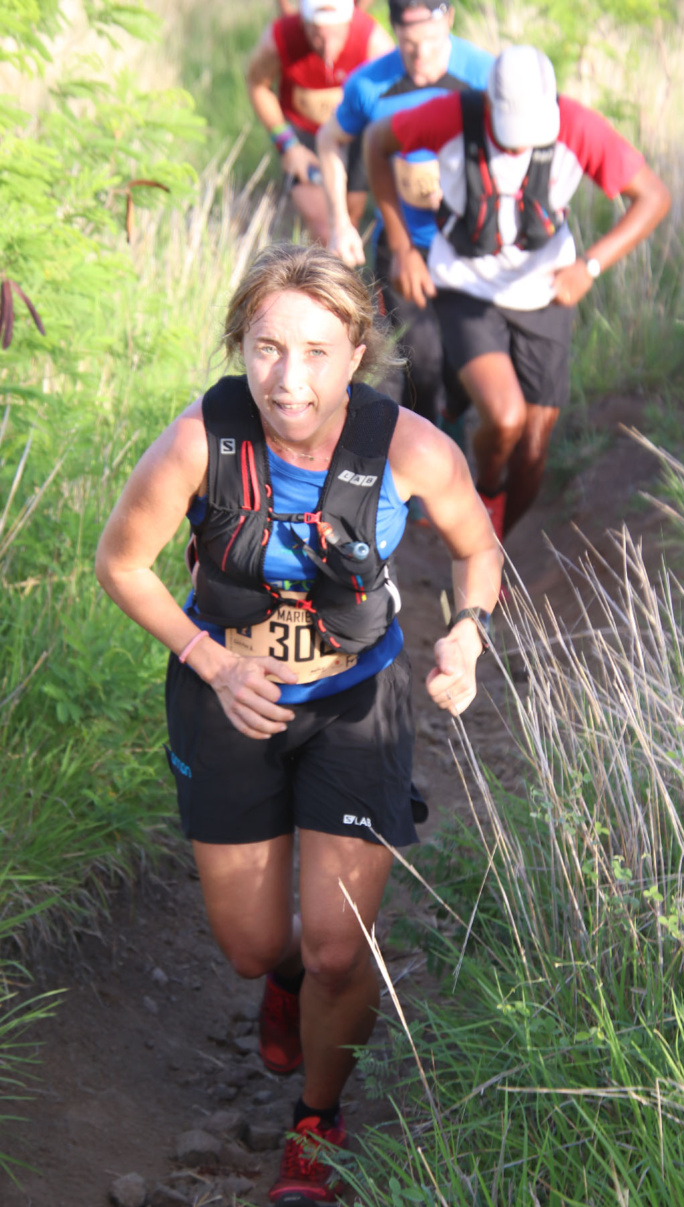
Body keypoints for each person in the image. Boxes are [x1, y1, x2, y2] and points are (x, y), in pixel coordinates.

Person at [95, 244, 502, 1205]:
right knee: (252, 945)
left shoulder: (410, 447)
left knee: (335, 943)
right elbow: (121, 562)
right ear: (242, 343)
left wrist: (466, 638)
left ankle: (318, 1120)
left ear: (356, 352)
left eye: (318, 350)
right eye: (269, 348)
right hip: (225, 695)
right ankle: (281, 984)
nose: (291, 377)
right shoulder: (202, 437)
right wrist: (213, 661)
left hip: (356, 701)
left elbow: (477, 548)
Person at [363, 44, 672, 540]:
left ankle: (495, 532)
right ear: (490, 105)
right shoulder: (452, 117)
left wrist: (589, 266)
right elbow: (378, 143)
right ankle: (477, 506)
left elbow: (652, 196)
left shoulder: (578, 127)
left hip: (546, 290)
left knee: (533, 445)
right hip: (467, 285)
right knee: (506, 418)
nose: (516, 147)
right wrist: (400, 244)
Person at [316, 0, 493, 436]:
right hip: (404, 244)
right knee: (422, 363)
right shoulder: (370, 83)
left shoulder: (485, 75)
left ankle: (455, 424)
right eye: (409, 45)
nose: (420, 58)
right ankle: (421, 473)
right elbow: (329, 140)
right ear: (393, 31)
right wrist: (341, 221)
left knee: (466, 365)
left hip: (475, 247)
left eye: (432, 43)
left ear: (449, 20)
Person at [247, 0, 394, 245]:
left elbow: (398, 96)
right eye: (317, 36)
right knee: (324, 227)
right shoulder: (280, 38)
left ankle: (343, 278)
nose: (327, 47)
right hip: (303, 136)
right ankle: (322, 276)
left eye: (335, 35)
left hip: (353, 136)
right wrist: (287, 144)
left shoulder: (374, 42)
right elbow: (257, 85)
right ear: (304, 24)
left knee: (351, 217)